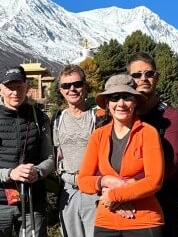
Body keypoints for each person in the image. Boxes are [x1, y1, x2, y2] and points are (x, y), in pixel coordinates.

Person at [0, 66, 55, 237]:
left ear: (27, 88)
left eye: (20, 87)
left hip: (32, 200)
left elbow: (50, 158)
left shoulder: (40, 118)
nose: (15, 93)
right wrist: (10, 173)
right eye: (10, 88)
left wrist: (37, 172)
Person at [77, 74, 165, 237]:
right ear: (107, 104)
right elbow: (83, 181)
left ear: (135, 101)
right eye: (115, 98)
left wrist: (114, 196)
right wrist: (105, 180)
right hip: (107, 220)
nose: (121, 104)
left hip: (143, 220)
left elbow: (154, 181)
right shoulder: (98, 135)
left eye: (127, 97)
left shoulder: (148, 133)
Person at [126, 52, 178, 237]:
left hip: (162, 204)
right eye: (136, 75)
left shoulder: (170, 116)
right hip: (127, 206)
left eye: (149, 73)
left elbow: (172, 163)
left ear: (156, 77)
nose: (143, 78)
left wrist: (130, 186)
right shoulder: (123, 116)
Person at [52, 65, 110, 237]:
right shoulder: (57, 119)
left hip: (94, 190)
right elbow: (58, 154)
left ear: (85, 86)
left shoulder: (99, 117)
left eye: (76, 84)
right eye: (66, 86)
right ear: (60, 90)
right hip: (68, 190)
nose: (72, 89)